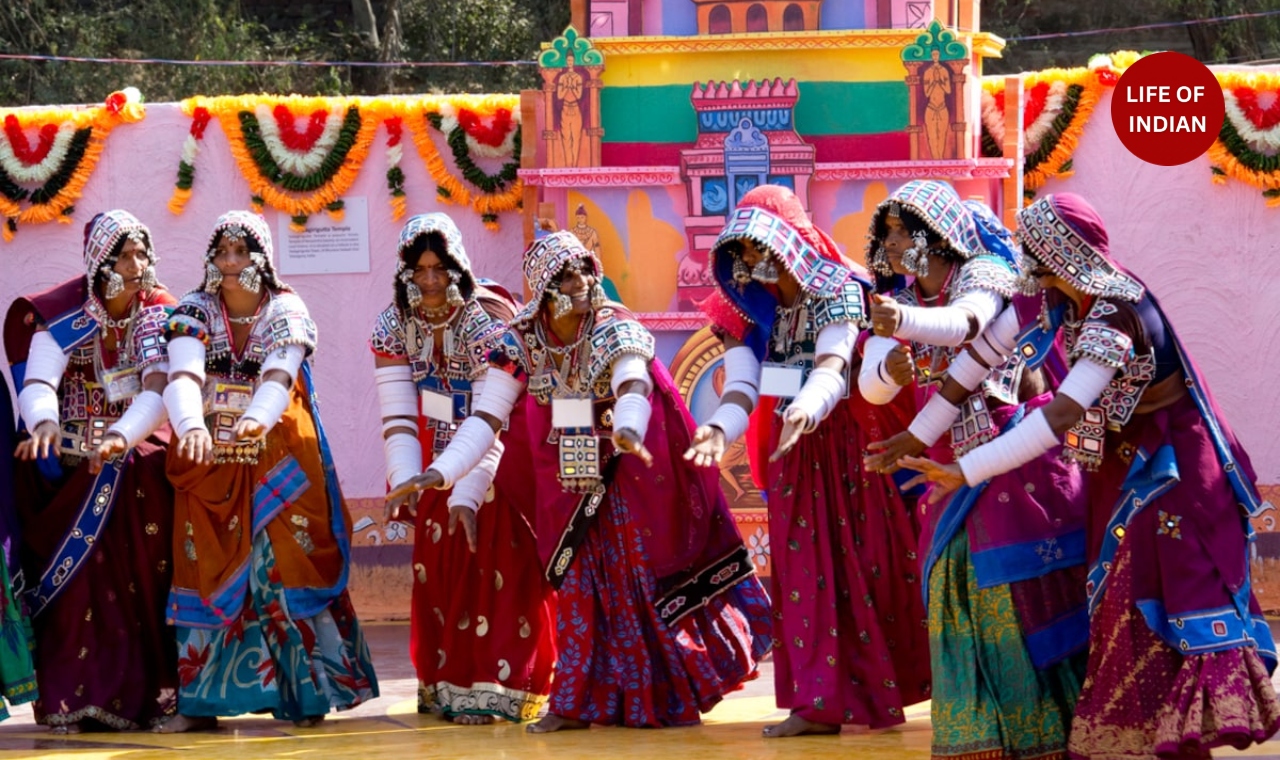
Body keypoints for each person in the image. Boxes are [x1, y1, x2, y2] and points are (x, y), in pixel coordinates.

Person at [900, 192, 1280, 758]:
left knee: (1146, 594)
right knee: (1113, 597)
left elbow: (1061, 414)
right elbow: (980, 356)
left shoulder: (1114, 313)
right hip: (1118, 466)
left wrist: (966, 469)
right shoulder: (1059, 296)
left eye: (1034, 254)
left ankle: (1174, 738)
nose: (1023, 267)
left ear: (1060, 255)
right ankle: (1145, 739)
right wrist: (917, 431)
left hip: (1167, 469)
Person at [388, 231, 771, 732]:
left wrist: (630, 427)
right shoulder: (521, 340)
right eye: (567, 275)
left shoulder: (613, 324)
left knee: (636, 581)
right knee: (578, 588)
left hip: (628, 475)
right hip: (566, 483)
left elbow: (632, 380)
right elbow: (487, 417)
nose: (583, 282)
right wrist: (442, 471)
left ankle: (661, 697)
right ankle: (573, 704)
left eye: (586, 270)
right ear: (544, 288)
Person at [688, 184, 930, 738]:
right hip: (792, 452)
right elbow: (743, 384)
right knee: (802, 571)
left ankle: (871, 692)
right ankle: (816, 704)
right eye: (743, 254)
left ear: (790, 239)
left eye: (759, 248)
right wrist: (719, 428)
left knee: (859, 566)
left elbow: (832, 362)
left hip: (844, 447)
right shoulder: (749, 307)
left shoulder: (840, 288)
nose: (752, 262)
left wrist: (806, 408)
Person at [858, 181, 1089, 760]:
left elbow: (966, 326)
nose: (889, 244)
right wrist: (893, 370)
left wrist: (903, 323)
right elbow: (871, 385)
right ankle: (976, 736)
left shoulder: (983, 276)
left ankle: (1044, 734)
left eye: (899, 231)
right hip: (946, 464)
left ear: (937, 234)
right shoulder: (903, 300)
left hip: (1015, 456)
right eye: (883, 234)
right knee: (949, 586)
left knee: (1011, 589)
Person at [158, 210, 377, 732]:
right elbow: (183, 371)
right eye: (223, 252)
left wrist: (255, 419)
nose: (231, 263)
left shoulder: (287, 308)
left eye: (242, 252)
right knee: (204, 570)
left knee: (277, 572)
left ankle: (308, 696)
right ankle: (200, 707)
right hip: (207, 458)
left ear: (263, 260)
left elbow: (281, 370)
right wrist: (190, 424)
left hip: (278, 456)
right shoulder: (193, 309)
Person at [372, 213, 555, 724]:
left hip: (497, 457)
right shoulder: (393, 324)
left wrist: (465, 492)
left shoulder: (488, 318)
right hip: (435, 457)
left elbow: (491, 418)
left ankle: (500, 688)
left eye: (440, 268)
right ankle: (448, 685)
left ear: (458, 267)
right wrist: (409, 479)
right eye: (419, 269)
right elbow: (398, 415)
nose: (430, 281)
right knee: (441, 560)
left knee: (497, 565)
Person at [5, 210, 176, 731]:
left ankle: (152, 696)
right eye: (125, 255)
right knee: (77, 591)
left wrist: (123, 438)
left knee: (146, 501)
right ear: (100, 263)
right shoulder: (62, 315)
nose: (137, 263)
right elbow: (38, 383)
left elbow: (158, 389)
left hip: (134, 463)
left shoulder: (158, 313)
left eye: (141, 252)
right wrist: (45, 423)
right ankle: (71, 702)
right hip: (75, 468)